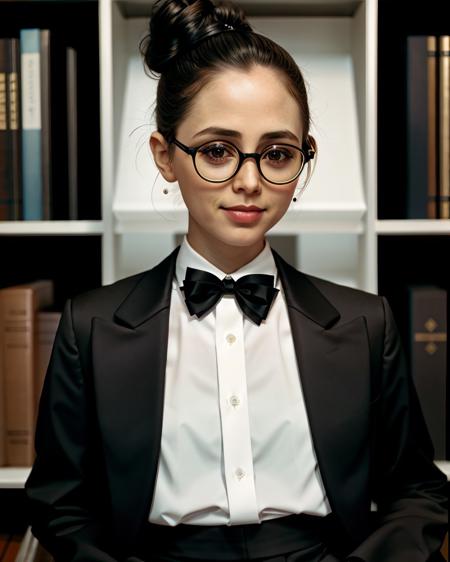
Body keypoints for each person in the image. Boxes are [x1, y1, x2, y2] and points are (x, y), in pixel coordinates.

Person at [24, 0, 448, 561]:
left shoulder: (368, 323)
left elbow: (419, 493)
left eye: (276, 153)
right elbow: (59, 503)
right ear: (165, 156)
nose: (249, 181)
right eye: (217, 150)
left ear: (302, 160)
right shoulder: (91, 326)